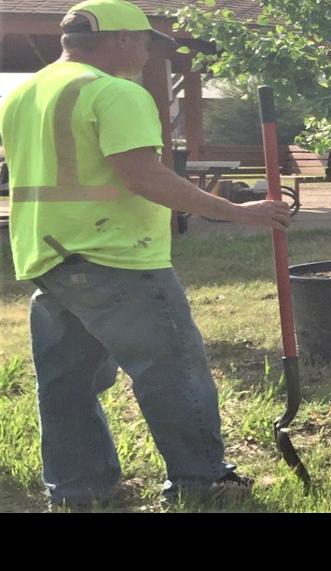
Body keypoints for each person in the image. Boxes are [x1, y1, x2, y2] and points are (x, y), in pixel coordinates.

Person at [0, 0, 291, 509]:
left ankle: (75, 489)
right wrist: (240, 212)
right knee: (173, 370)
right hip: (118, 257)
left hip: (50, 257)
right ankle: (201, 481)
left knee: (66, 384)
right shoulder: (115, 92)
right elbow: (143, 176)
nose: (151, 54)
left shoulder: (24, 93)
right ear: (122, 39)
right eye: (148, 42)